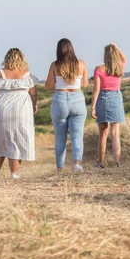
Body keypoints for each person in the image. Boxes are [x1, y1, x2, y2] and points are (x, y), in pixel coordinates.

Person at [0, 48, 39, 179]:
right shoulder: (27, 75)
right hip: (20, 111)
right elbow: (33, 94)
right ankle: (14, 173)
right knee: (17, 141)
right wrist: (35, 105)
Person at [45, 38, 89, 172]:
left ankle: (60, 168)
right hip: (78, 100)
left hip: (60, 99)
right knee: (77, 136)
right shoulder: (81, 64)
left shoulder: (55, 65)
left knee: (60, 138)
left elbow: (48, 86)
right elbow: (85, 84)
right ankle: (77, 164)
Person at [90, 43, 126, 168]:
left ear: (105, 55)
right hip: (116, 97)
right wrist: (117, 48)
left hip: (103, 99)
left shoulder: (99, 69)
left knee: (103, 133)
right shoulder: (119, 67)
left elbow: (96, 90)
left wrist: (93, 106)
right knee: (115, 133)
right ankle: (117, 163)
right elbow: (124, 58)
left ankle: (100, 162)